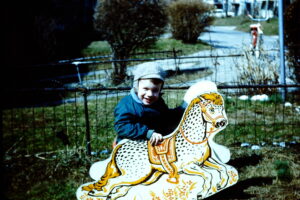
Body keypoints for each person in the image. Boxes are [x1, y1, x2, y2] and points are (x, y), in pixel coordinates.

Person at [113, 64, 184, 147]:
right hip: (131, 145)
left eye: (155, 90)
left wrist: (181, 111)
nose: (150, 94)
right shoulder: (126, 104)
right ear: (137, 87)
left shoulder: (158, 102)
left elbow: (165, 117)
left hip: (153, 142)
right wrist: (147, 133)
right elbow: (122, 126)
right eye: (146, 89)